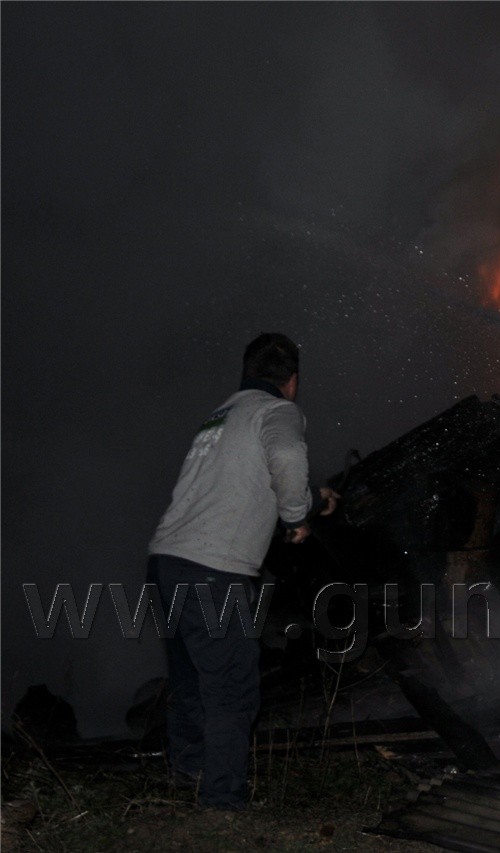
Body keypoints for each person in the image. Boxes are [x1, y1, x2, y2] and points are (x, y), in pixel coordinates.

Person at [147, 333, 338, 809]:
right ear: (291, 382)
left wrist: (312, 498)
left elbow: (242, 481)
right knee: (232, 688)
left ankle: (188, 775)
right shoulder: (278, 412)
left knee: (191, 681)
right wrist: (298, 517)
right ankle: (222, 802)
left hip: (168, 563)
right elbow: (288, 457)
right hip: (213, 571)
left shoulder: (224, 414)